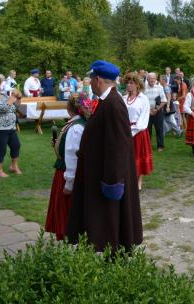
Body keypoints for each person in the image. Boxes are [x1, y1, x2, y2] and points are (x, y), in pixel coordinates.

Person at [67, 60, 143, 252]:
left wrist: (113, 182)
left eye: (91, 79)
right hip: (98, 172)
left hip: (108, 177)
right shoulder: (105, 102)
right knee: (104, 224)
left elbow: (118, 146)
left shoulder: (113, 104)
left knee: (111, 223)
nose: (90, 83)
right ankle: (105, 252)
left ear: (98, 79)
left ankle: (112, 258)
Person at [45, 94, 86, 241]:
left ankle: (72, 236)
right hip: (69, 172)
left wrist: (69, 183)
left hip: (67, 175)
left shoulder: (76, 128)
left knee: (67, 209)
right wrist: (58, 144)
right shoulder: (77, 123)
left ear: (69, 108)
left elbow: (72, 157)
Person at [122, 72, 153, 190]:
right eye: (127, 83)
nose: (129, 85)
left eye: (131, 83)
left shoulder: (143, 99)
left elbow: (144, 119)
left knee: (137, 156)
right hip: (125, 131)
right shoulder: (123, 98)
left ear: (137, 85)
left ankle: (138, 181)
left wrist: (132, 131)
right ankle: (127, 179)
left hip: (138, 132)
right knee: (126, 157)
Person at [144, 72, 167, 152]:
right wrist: (149, 110)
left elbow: (164, 101)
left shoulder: (159, 88)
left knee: (159, 129)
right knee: (147, 130)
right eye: (151, 78)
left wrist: (156, 109)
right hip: (147, 112)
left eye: (154, 78)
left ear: (156, 79)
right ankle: (147, 146)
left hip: (158, 111)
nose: (152, 80)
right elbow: (141, 101)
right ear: (147, 79)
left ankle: (160, 146)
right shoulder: (144, 88)